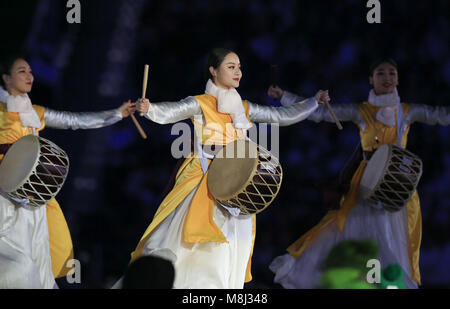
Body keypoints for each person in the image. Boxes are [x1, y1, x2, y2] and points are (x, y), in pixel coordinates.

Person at [120, 48, 329, 289]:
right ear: (213, 70)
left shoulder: (244, 108)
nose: (237, 71)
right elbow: (171, 111)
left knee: (227, 249)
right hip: (204, 179)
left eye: (239, 67)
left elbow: (281, 115)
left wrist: (313, 102)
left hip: (236, 186)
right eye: (231, 66)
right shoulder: (200, 103)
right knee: (188, 245)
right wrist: (150, 109)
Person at [267, 58, 450, 289]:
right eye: (381, 73)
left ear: (398, 79)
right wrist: (284, 96)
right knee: (350, 230)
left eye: (391, 73)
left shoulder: (407, 112)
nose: (387, 78)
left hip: (397, 187)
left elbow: (440, 115)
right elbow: (320, 113)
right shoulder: (362, 111)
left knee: (394, 240)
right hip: (364, 184)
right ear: (371, 80)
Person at [0, 55, 136, 288]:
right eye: (22, 71)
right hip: (4, 189)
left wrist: (116, 114)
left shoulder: (35, 112)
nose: (30, 76)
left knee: (36, 254)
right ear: (6, 78)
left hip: (32, 195)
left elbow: (74, 120)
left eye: (31, 71)